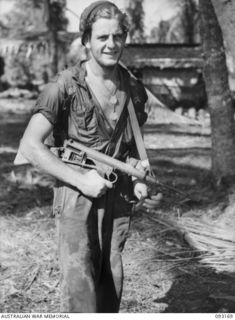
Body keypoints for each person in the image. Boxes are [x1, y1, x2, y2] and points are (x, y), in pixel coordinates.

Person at [19, 1, 161, 313]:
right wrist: (80, 179)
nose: (111, 44)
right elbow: (31, 146)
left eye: (117, 36)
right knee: (80, 286)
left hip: (118, 195)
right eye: (102, 37)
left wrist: (138, 176)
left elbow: (132, 146)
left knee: (111, 280)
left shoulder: (134, 89)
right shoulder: (65, 86)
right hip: (75, 195)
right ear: (86, 40)